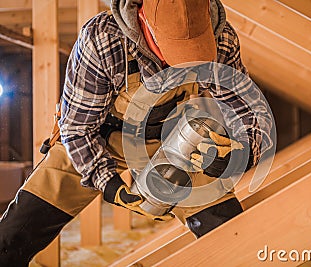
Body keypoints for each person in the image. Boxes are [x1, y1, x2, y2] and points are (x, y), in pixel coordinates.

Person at [0, 0, 272, 266]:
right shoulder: (103, 40)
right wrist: (107, 183)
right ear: (144, 22)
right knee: (14, 234)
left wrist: (238, 156)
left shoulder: (221, 38)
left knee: (227, 229)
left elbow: (247, 113)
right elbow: (78, 128)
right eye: (177, 53)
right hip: (97, 137)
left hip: (171, 139)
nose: (185, 68)